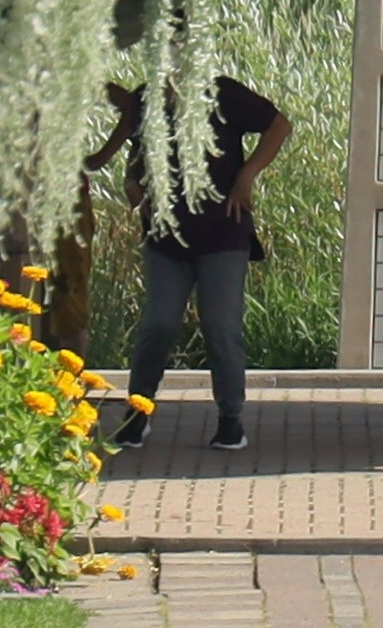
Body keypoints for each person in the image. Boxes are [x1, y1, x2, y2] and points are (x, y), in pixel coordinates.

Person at [110, 60, 291, 454]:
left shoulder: (223, 93)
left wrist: (246, 176)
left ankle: (230, 419)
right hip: (165, 237)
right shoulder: (148, 97)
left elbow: (280, 126)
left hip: (223, 232)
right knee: (158, 324)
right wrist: (132, 184)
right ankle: (137, 413)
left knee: (221, 326)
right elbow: (137, 152)